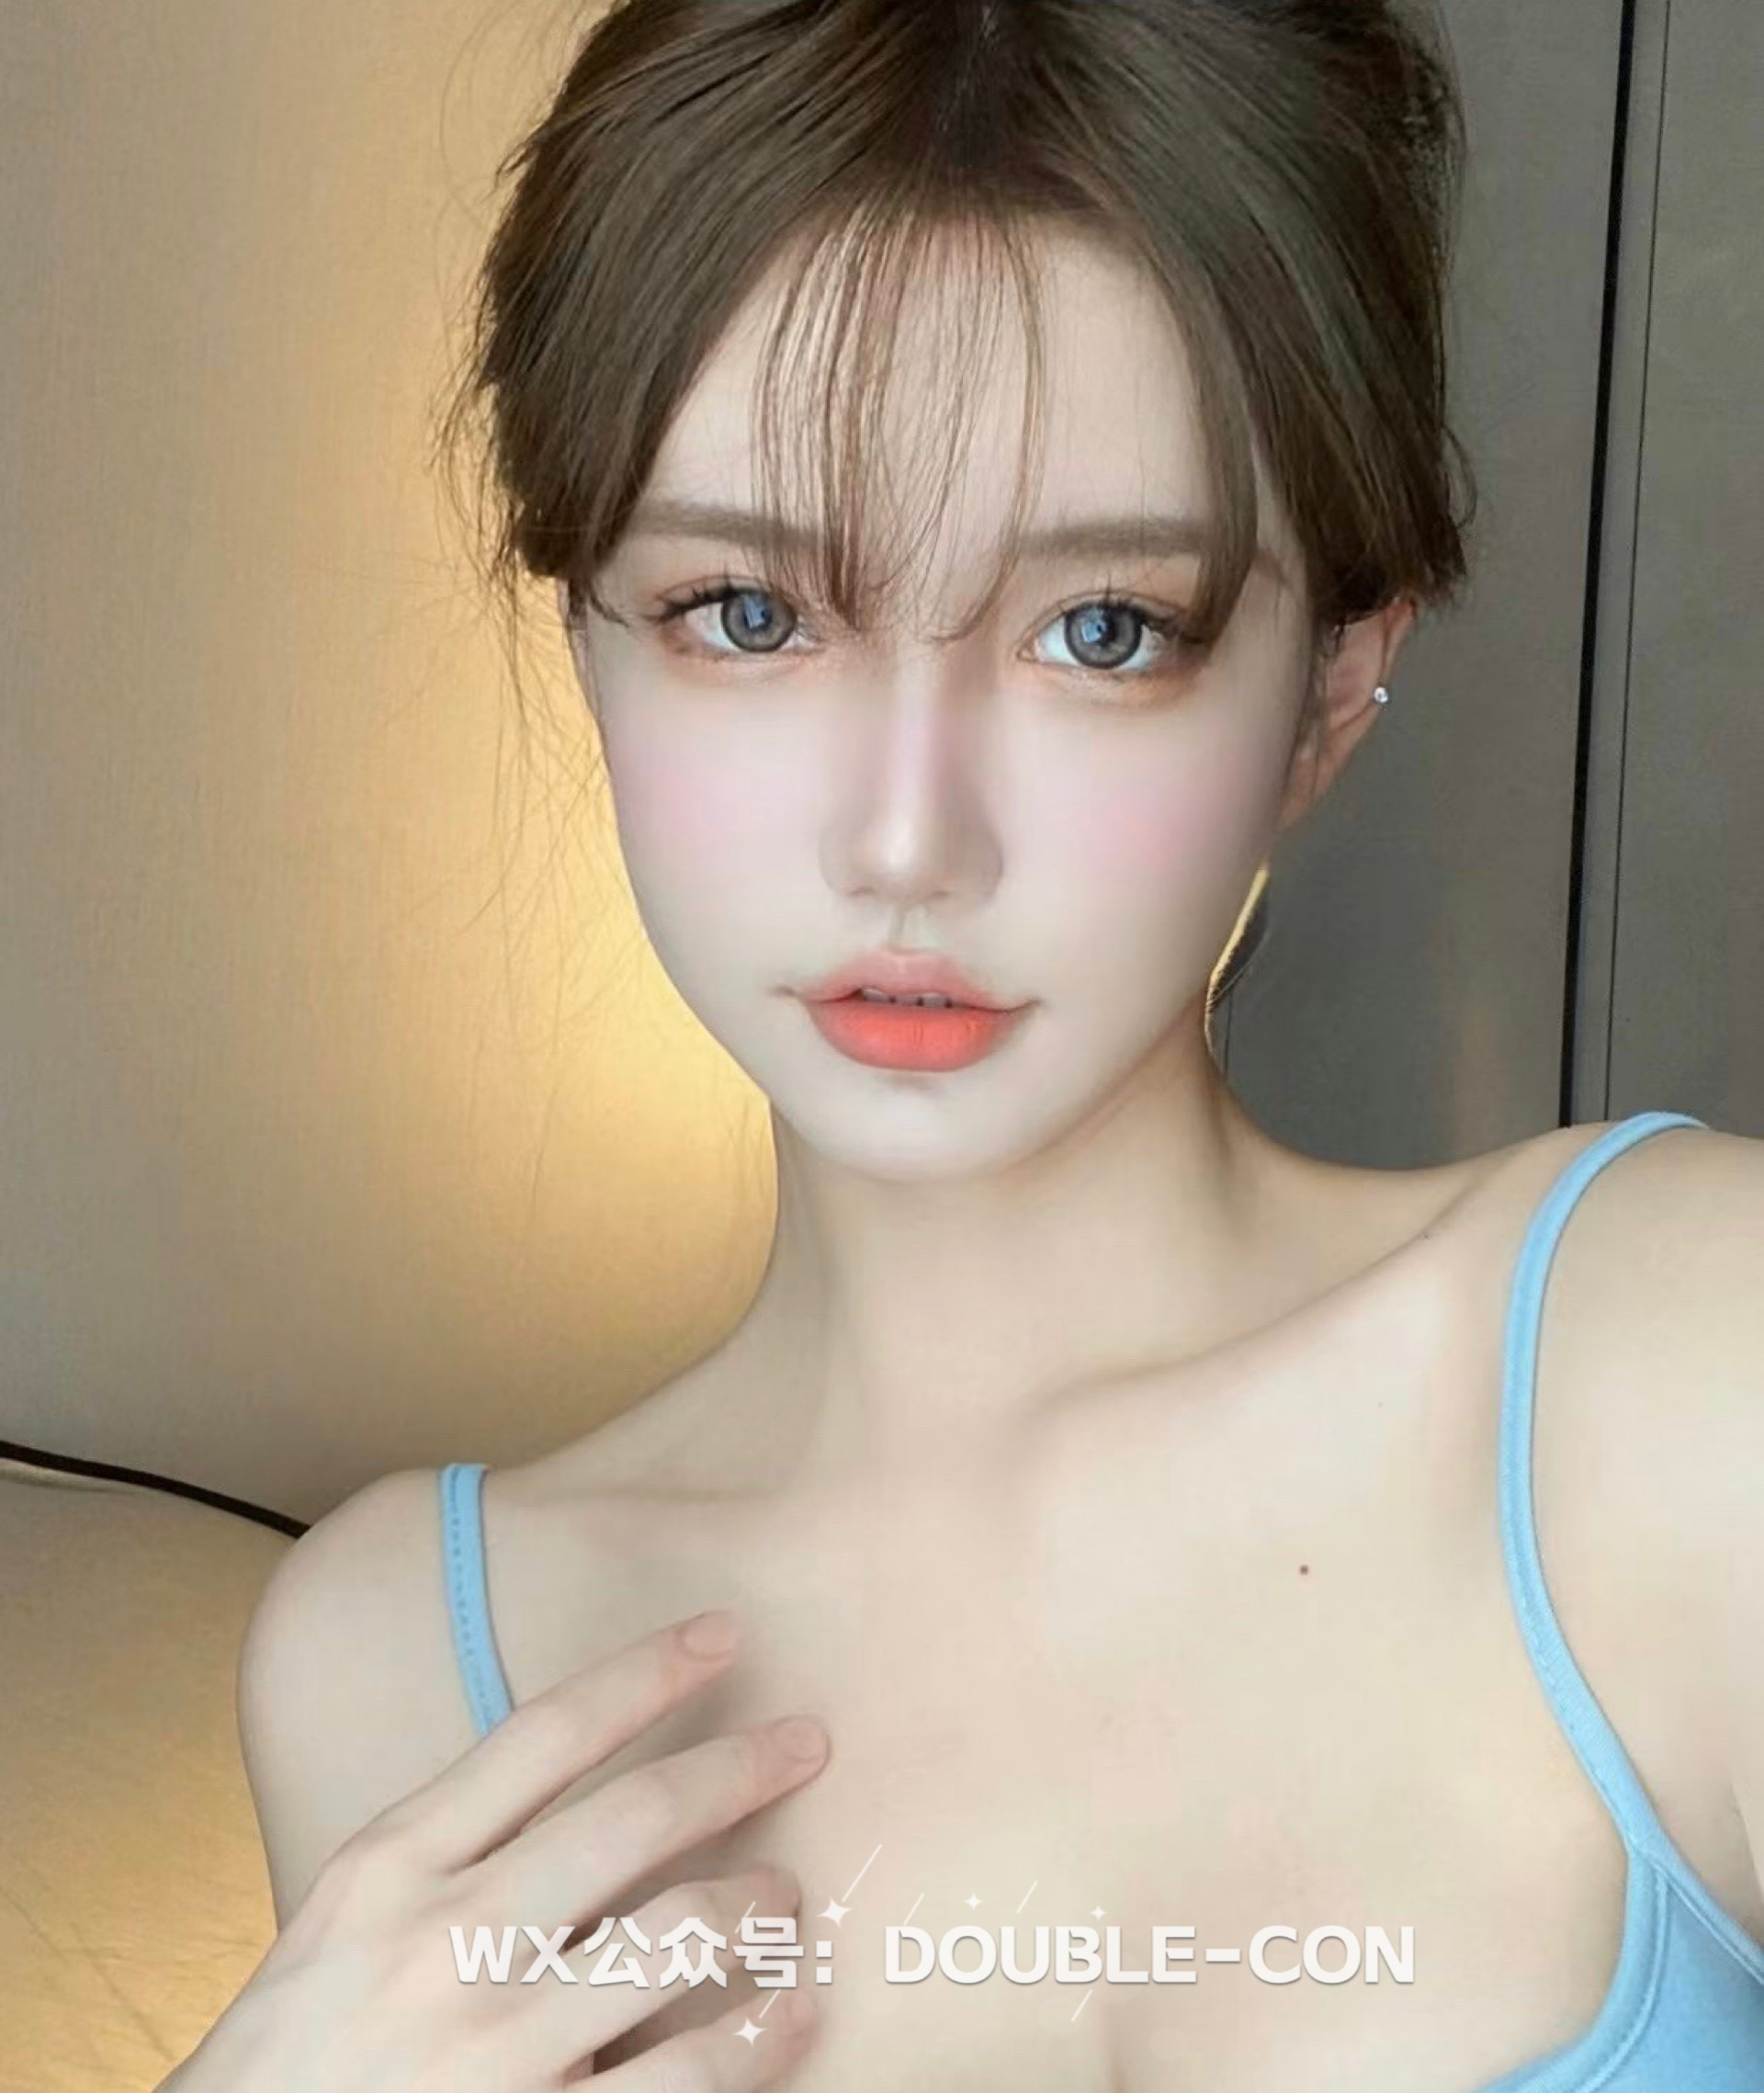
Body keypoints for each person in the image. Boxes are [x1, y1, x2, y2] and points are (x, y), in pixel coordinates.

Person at [164, 0, 1764, 2087]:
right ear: (589, 639)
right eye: (749, 612)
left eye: (1103, 630)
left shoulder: (1680, 1376)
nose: (909, 838)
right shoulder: (393, 1666)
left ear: (1329, 689)